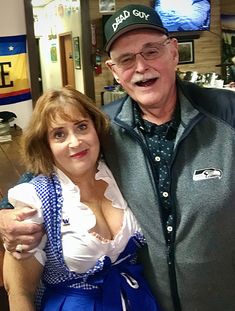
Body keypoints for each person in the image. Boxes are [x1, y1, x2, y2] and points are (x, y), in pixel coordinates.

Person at [1, 3, 235, 311]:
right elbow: (43, 173)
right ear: (114, 70)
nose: (140, 67)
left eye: (151, 51)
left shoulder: (227, 114)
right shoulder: (102, 129)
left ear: (174, 52)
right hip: (148, 301)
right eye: (126, 59)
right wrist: (5, 213)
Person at [3, 86, 159, 311]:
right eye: (59, 134)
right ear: (45, 145)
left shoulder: (119, 175)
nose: (75, 142)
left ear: (96, 128)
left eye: (82, 127)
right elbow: (19, 291)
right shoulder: (36, 199)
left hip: (138, 300)